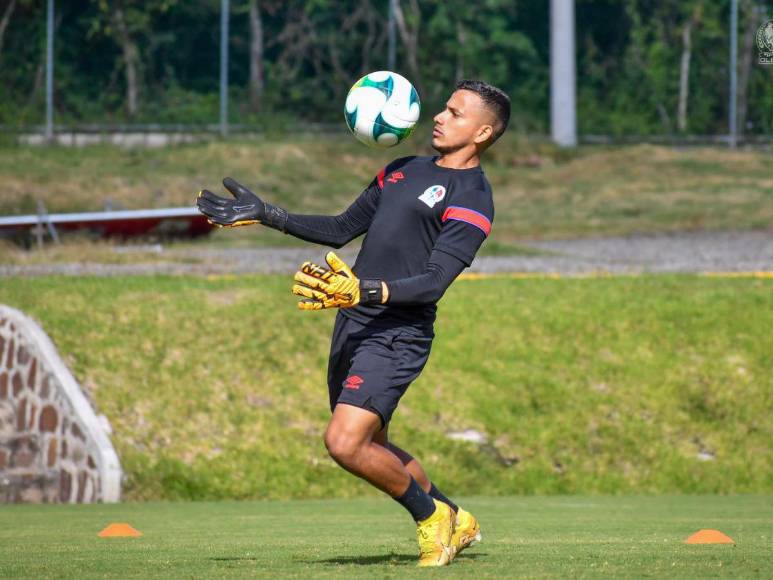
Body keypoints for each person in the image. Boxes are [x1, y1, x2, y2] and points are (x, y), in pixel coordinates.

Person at [197, 79, 510, 567]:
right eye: (444, 108)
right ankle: (454, 515)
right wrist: (268, 214)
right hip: (352, 323)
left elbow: (434, 281)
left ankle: (431, 522)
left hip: (397, 333)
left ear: (484, 132)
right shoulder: (402, 170)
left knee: (343, 442)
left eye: (455, 113)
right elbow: (342, 228)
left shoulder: (474, 196)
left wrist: (363, 289)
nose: (439, 117)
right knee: (372, 444)